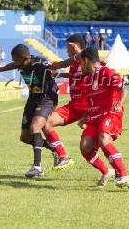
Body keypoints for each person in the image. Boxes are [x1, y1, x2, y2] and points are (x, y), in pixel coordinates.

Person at [0, 44, 71, 177]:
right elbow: (11, 65)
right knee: (25, 137)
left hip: (47, 98)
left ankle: (37, 167)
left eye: (16, 60)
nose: (15, 63)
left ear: (25, 58)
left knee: (35, 127)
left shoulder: (40, 63)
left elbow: (57, 67)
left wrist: (64, 73)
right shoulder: (21, 63)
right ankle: (53, 148)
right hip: (33, 98)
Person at [78, 47, 129, 188]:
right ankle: (106, 171)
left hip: (110, 113)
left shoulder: (107, 72)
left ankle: (123, 175)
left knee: (104, 138)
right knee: (85, 147)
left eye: (81, 62)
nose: (80, 66)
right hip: (94, 118)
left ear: (86, 60)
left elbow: (124, 88)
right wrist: (85, 117)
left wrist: (120, 104)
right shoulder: (87, 80)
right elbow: (92, 101)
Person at [41, 35, 87, 171]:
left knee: (95, 144)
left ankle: (115, 171)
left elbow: (62, 64)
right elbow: (75, 75)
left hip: (90, 107)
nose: (66, 51)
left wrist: (51, 65)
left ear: (74, 45)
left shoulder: (85, 57)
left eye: (68, 47)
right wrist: (60, 75)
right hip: (74, 106)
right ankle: (63, 156)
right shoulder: (74, 62)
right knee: (46, 122)